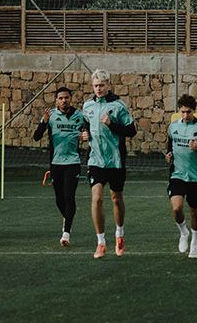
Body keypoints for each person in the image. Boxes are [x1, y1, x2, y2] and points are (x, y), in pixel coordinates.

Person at [82, 69, 137, 259]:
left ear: (108, 85)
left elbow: (132, 130)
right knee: (96, 198)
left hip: (115, 160)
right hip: (95, 160)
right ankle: (100, 242)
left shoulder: (118, 106)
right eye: (96, 85)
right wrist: (84, 134)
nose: (98, 88)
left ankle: (119, 234)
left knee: (116, 198)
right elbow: (85, 125)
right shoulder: (87, 105)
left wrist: (111, 124)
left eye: (102, 85)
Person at [34, 85, 88, 246]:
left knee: (69, 196)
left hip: (73, 162)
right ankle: (68, 217)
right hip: (56, 164)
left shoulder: (80, 116)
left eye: (66, 97)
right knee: (59, 199)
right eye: (61, 98)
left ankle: (66, 233)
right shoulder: (50, 116)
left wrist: (86, 135)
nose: (64, 100)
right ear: (56, 101)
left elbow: (90, 131)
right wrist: (43, 121)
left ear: (71, 99)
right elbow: (36, 137)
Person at [167, 93, 197, 259]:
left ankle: (195, 242)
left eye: (188, 112)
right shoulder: (173, 127)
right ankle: (183, 232)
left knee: (195, 211)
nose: (185, 115)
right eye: (183, 111)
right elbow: (169, 147)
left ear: (194, 111)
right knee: (177, 208)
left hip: (195, 177)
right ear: (179, 110)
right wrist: (169, 155)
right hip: (177, 175)